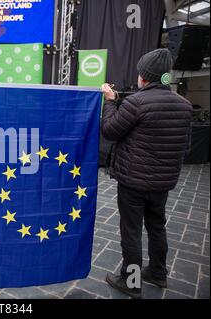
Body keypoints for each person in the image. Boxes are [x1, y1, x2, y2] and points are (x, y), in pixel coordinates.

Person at [100, 48, 192, 299]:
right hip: (163, 183)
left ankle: (131, 282)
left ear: (144, 76)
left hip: (133, 181)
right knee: (157, 226)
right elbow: (186, 145)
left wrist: (110, 102)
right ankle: (158, 273)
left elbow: (109, 130)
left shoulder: (136, 102)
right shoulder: (184, 106)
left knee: (131, 231)